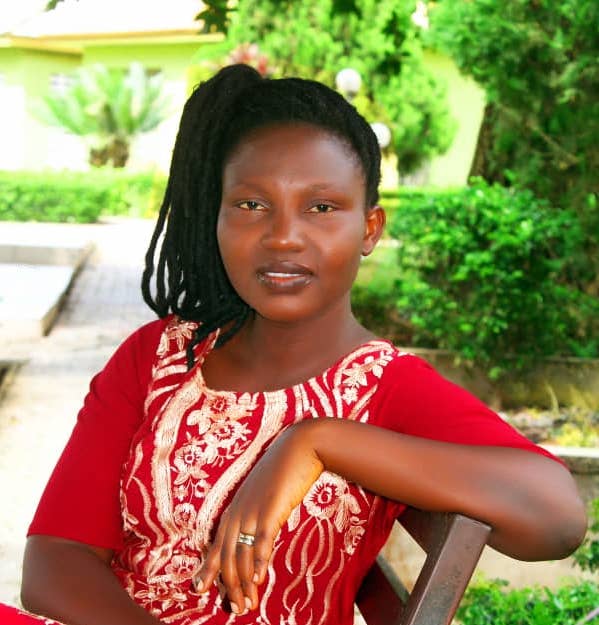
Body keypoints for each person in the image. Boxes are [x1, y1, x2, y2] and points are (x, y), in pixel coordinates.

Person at [0, 64, 587, 625]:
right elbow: (54, 562)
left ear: (370, 230)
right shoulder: (157, 357)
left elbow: (557, 516)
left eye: (322, 207)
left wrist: (319, 442)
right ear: (218, 219)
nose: (282, 237)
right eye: (251, 205)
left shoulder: (385, 387)